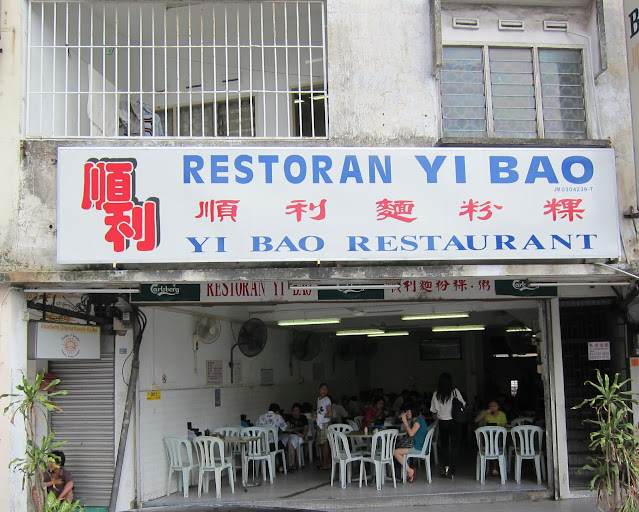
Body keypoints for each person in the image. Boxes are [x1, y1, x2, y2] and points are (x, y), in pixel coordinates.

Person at [430, 372, 466, 478]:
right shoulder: (455, 392)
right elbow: (463, 404)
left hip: (443, 422)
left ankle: (446, 468)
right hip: (455, 422)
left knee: (445, 446)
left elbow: (434, 410)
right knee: (455, 447)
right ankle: (452, 470)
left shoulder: (436, 394)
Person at [393, 403, 428, 483]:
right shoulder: (416, 420)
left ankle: (410, 471)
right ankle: (408, 471)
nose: (406, 413)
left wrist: (405, 422)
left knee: (396, 452)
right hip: (417, 445)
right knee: (397, 449)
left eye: (407, 411)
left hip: (419, 447)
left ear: (413, 411)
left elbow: (411, 433)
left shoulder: (418, 421)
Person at [475, 399, 508, 476]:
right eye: (490, 406)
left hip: (499, 436)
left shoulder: (502, 414)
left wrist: (494, 427)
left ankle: (495, 467)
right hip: (488, 437)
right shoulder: (486, 414)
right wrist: (485, 413)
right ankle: (492, 467)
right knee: (491, 443)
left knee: (494, 444)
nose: (492, 408)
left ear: (498, 407)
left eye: (494, 406)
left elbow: (504, 425)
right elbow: (476, 420)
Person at [257, 402, 289, 472]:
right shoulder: (278, 417)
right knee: (281, 446)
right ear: (277, 411)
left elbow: (256, 429)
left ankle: (267, 467)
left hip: (262, 445)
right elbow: (284, 428)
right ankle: (281, 466)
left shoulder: (261, 417)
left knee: (278, 444)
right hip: (273, 445)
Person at [312, 382, 332, 470]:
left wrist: (321, 416)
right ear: (319, 390)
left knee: (324, 443)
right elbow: (320, 411)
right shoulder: (319, 399)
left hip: (325, 423)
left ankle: (325, 464)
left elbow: (330, 414)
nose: (324, 391)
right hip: (320, 423)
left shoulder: (327, 400)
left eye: (326, 389)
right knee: (321, 443)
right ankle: (326, 462)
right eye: (323, 389)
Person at [286, 402, 309, 469]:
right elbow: (288, 428)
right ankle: (293, 462)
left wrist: (303, 435)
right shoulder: (289, 417)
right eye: (294, 411)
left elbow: (306, 427)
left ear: (300, 411)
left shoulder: (303, 417)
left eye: (297, 410)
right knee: (291, 442)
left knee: (292, 442)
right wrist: (296, 432)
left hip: (301, 436)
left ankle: (293, 462)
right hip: (291, 435)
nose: (295, 412)